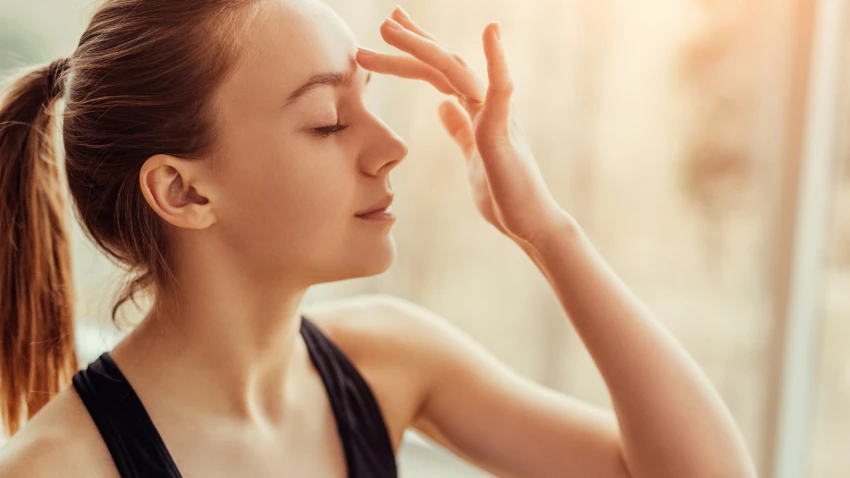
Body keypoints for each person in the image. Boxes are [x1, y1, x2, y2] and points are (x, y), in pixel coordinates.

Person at [0, 1, 758, 477]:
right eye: (330, 120)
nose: (392, 143)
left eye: (371, 102)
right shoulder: (58, 467)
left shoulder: (388, 360)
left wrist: (545, 231)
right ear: (184, 190)